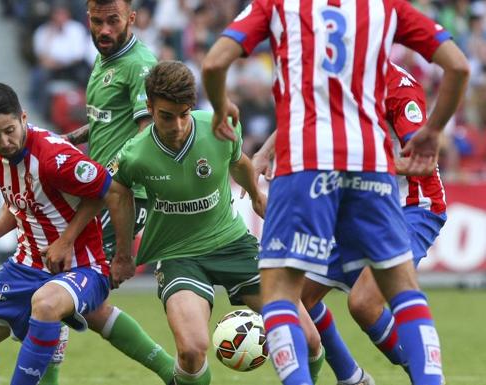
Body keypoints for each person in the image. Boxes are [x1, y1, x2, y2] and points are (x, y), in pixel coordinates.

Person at [202, 1, 469, 385]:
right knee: (303, 300)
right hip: (351, 187)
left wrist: (357, 155)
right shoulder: (358, 47)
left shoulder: (400, 87)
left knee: (355, 301)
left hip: (411, 203)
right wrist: (266, 152)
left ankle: (418, 376)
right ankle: (353, 377)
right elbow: (318, 105)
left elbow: (418, 159)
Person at [108, 60, 325, 385]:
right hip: (179, 255)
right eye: (167, 116)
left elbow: (238, 162)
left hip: (233, 244)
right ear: (150, 108)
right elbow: (117, 189)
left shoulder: (220, 129)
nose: (178, 125)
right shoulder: (135, 155)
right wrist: (123, 254)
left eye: (184, 114)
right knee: (193, 350)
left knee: (307, 340)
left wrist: (255, 194)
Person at [0, 82, 134, 385]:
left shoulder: (53, 159)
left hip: (83, 265)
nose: (4, 141)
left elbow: (112, 192)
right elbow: (18, 202)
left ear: (23, 118)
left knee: (48, 304)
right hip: (27, 265)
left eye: (10, 130)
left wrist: (71, 242)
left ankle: (180, 373)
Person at [43, 1, 176, 385]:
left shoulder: (139, 65)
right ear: (88, 17)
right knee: (89, 303)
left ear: (131, 19)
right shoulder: (105, 58)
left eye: (113, 21)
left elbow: (145, 133)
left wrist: (105, 178)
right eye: (97, 21)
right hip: (99, 188)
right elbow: (106, 121)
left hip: (120, 191)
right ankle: (172, 373)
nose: (104, 29)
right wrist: (69, 140)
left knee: (56, 280)